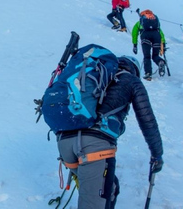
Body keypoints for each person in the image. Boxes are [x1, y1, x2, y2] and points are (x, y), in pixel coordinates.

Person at [56, 56, 164, 208]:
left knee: (110, 187)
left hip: (64, 141)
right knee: (96, 200)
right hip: (94, 146)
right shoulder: (131, 80)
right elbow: (148, 121)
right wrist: (157, 154)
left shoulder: (94, 75)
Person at [132, 9, 166, 81]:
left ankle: (148, 74)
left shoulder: (140, 22)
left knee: (147, 56)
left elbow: (134, 33)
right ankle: (160, 61)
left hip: (145, 37)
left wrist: (135, 44)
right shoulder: (155, 21)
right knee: (155, 55)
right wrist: (163, 43)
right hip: (157, 36)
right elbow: (161, 32)